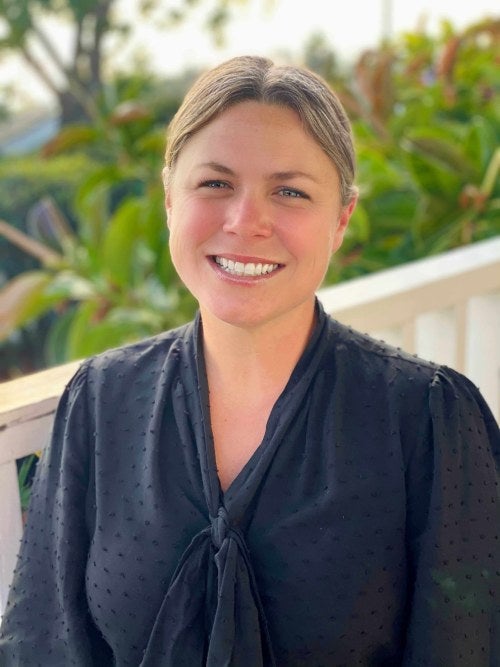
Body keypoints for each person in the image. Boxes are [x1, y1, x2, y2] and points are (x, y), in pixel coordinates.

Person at [0, 55, 499, 667]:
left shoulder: (426, 419)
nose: (246, 222)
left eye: (290, 191)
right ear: (168, 200)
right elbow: (45, 644)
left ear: (340, 220)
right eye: (215, 184)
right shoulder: (103, 401)